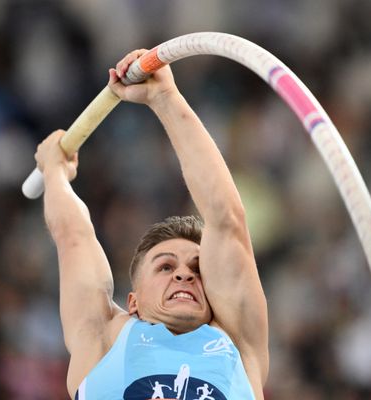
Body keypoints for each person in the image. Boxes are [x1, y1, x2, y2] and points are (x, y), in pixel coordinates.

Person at [34, 49, 269, 399]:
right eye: (165, 266)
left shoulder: (236, 340)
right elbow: (73, 238)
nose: (184, 274)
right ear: (133, 302)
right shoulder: (105, 336)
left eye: (198, 268)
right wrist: (54, 173)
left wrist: (165, 98)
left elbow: (226, 217)